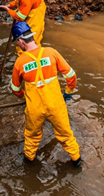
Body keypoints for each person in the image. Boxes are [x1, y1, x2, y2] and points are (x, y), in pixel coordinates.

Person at [9, 22, 81, 166]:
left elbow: (15, 88)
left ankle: (29, 163)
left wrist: (25, 97)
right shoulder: (51, 53)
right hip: (56, 105)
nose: (18, 46)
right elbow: (71, 76)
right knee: (66, 135)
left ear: (22, 41)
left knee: (31, 137)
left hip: (35, 109)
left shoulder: (20, 62)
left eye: (17, 43)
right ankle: (76, 161)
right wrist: (68, 92)